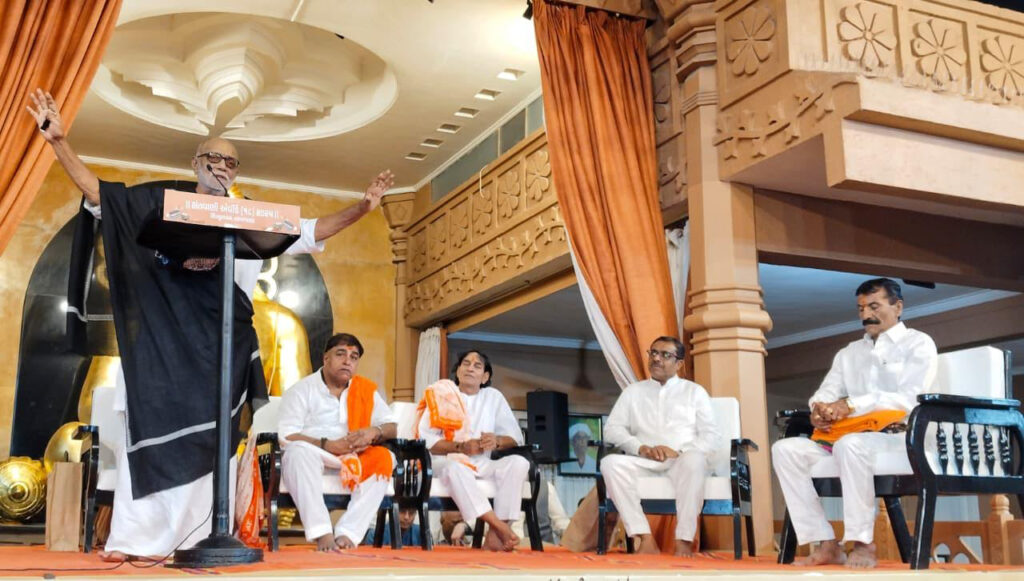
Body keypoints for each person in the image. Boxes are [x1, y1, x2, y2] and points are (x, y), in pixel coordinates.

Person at [26, 89, 394, 561]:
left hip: (219, 353)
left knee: (208, 449)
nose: (221, 166)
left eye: (230, 162)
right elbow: (102, 195)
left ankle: (188, 541)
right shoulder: (163, 204)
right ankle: (133, 541)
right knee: (148, 435)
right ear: (195, 163)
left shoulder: (251, 218)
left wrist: (361, 209)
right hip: (163, 349)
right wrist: (59, 142)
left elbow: (311, 230)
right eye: (213, 158)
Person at [772, 278, 938, 569]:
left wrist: (851, 404)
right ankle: (825, 543)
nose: (866, 315)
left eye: (874, 306)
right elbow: (826, 391)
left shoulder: (918, 343)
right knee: (785, 450)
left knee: (850, 445)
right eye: (861, 308)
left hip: (898, 438)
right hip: (846, 436)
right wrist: (818, 409)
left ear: (898, 307)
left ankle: (863, 543)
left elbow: (909, 397)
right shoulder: (849, 353)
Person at [602, 336, 719, 557]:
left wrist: (679, 452)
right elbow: (612, 429)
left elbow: (711, 436)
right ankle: (644, 538)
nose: (656, 358)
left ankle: (684, 540)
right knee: (610, 463)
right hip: (645, 461)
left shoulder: (694, 392)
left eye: (665, 355)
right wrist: (641, 448)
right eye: (653, 353)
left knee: (694, 460)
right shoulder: (633, 392)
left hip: (681, 462)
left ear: (679, 363)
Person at [278, 333, 397, 551]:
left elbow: (391, 427)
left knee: (385, 458)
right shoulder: (301, 390)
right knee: (296, 452)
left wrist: (373, 432)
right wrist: (328, 445)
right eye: (340, 354)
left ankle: (348, 533)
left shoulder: (365, 390)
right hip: (316, 452)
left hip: (354, 455)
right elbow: (286, 435)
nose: (347, 361)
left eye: (354, 357)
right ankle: (322, 532)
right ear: (326, 358)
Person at [416, 350, 529, 551]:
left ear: (485, 377)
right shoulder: (441, 394)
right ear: (458, 371)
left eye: (477, 366)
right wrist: (460, 447)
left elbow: (514, 437)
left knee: (519, 463)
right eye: (466, 364)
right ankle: (499, 526)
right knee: (454, 468)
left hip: (482, 463)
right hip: (447, 461)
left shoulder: (493, 397)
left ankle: (493, 537)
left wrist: (496, 441)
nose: (470, 368)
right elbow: (426, 441)